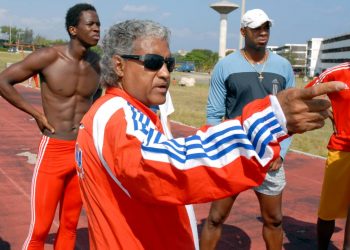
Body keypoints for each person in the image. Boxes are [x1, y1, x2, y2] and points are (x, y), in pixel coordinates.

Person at [74, 19, 346, 249]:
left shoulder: (123, 112)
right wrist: (270, 121)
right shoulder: (117, 114)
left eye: (170, 63)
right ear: (119, 66)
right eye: (153, 62)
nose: (165, 73)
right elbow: (171, 167)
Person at [0, 3, 101, 249]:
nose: (97, 29)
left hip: (81, 153)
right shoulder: (49, 57)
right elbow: (4, 81)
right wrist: (35, 114)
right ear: (73, 29)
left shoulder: (99, 64)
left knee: (69, 225)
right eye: (91, 24)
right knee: (41, 228)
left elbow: (98, 98)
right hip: (54, 149)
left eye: (98, 24)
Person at [201, 9, 294, 249]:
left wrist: (281, 153)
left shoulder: (283, 66)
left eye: (266, 28)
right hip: (235, 154)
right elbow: (214, 113)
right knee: (215, 218)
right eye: (256, 28)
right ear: (243, 32)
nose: (263, 32)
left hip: (269, 156)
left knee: (274, 220)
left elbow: (289, 115)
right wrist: (220, 149)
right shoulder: (226, 65)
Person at [305, 63, 350, 250]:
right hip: (342, 150)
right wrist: (326, 111)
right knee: (328, 211)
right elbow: (305, 95)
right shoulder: (337, 72)